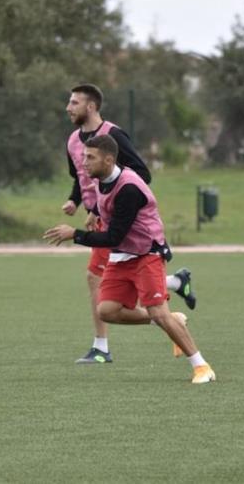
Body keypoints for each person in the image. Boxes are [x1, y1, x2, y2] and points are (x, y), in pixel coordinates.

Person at [45, 134, 216, 384]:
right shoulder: (101, 180)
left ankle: (202, 367)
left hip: (147, 253)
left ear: (108, 159)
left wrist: (75, 235)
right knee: (107, 311)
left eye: (90, 158)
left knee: (158, 312)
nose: (84, 163)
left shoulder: (129, 188)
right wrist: (93, 213)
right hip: (122, 255)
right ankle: (173, 320)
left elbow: (114, 236)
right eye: (83, 156)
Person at [63, 84, 196, 364]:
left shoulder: (113, 135)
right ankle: (173, 290)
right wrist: (77, 201)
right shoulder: (74, 140)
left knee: (95, 279)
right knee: (102, 284)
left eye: (74, 102)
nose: (68, 107)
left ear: (91, 106)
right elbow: (80, 177)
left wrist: (108, 204)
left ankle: (101, 347)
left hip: (116, 221)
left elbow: (142, 173)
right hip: (98, 215)